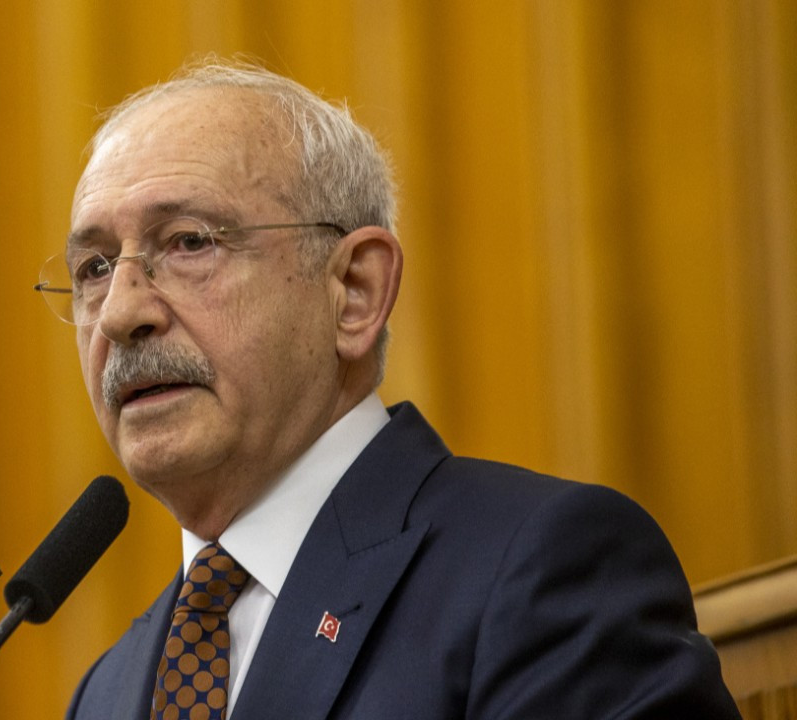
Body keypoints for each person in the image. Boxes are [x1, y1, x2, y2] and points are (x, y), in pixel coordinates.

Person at [37, 59, 740, 719]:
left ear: (354, 291)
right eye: (95, 267)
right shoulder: (107, 692)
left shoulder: (545, 569)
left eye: (189, 242)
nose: (121, 312)